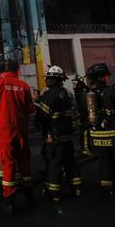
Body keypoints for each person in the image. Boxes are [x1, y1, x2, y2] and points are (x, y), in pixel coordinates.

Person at [0, 60, 35, 214]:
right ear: (18, 70)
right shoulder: (24, 86)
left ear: (5, 69)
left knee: (8, 164)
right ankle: (29, 197)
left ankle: (9, 202)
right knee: (24, 161)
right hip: (21, 129)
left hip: (5, 130)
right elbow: (31, 109)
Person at [34, 65, 83, 202]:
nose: (47, 80)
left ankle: (54, 193)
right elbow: (74, 113)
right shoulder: (67, 93)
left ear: (55, 80)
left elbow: (43, 116)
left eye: (49, 78)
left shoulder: (50, 95)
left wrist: (37, 115)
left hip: (54, 137)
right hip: (67, 136)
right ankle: (77, 187)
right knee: (70, 161)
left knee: (53, 163)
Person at [83, 63, 115, 196]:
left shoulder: (88, 95)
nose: (107, 78)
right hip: (114, 135)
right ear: (101, 78)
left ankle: (107, 187)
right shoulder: (111, 91)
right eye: (105, 76)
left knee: (104, 162)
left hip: (97, 136)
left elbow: (84, 115)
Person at [72, 74, 92, 156]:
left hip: (84, 116)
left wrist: (82, 115)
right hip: (81, 116)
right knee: (83, 132)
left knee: (84, 132)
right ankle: (85, 148)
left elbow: (84, 106)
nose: (73, 86)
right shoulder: (78, 93)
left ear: (79, 85)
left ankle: (86, 149)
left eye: (75, 84)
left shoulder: (82, 93)